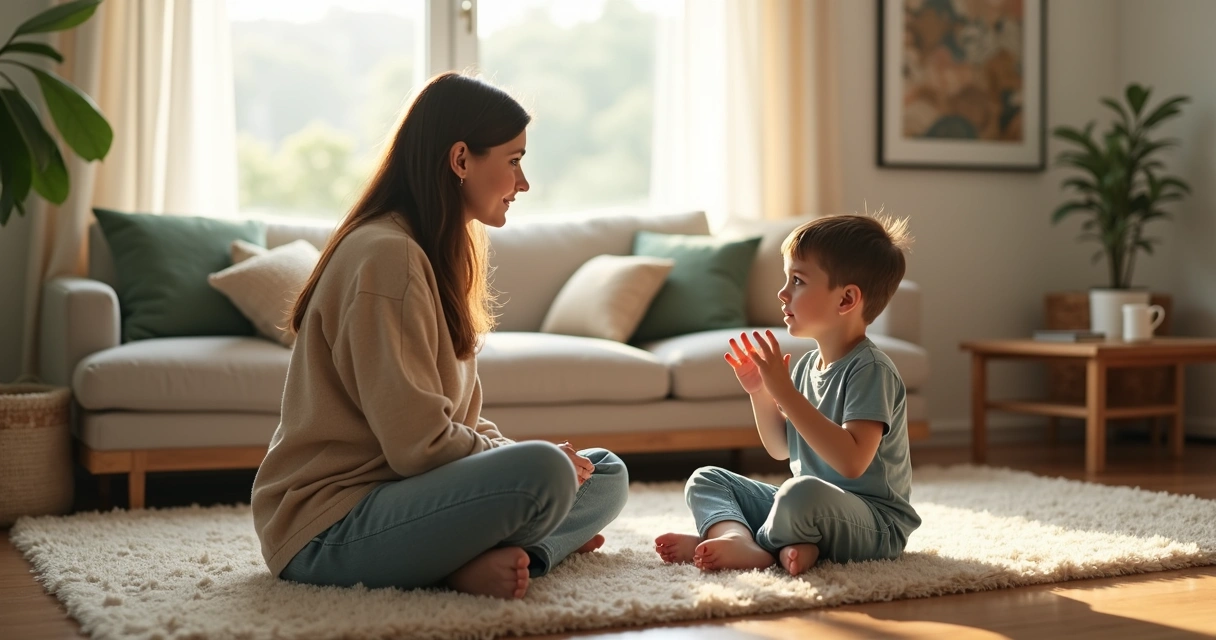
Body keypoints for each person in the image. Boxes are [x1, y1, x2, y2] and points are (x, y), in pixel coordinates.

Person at [251, 72, 629, 600]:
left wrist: (516, 453)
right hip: (327, 528)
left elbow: (457, 422)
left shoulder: (430, 251)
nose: (523, 184)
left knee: (605, 472)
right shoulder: (387, 256)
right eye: (514, 161)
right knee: (545, 470)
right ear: (460, 161)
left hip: (402, 497)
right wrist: (534, 460)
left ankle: (516, 552)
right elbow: (419, 444)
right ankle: (477, 559)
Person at [654, 214, 920, 575]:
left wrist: (787, 394)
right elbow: (782, 448)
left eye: (797, 280)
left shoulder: (871, 370)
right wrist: (761, 392)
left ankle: (763, 546)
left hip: (874, 524)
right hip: (808, 508)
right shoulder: (806, 365)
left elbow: (852, 462)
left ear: (846, 299)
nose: (783, 292)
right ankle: (753, 539)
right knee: (707, 478)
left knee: (798, 493)